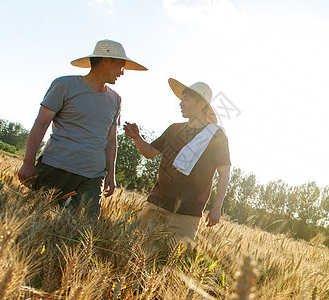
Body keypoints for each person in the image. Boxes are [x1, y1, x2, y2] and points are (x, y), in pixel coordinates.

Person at [18, 39, 147, 219]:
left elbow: (111, 139)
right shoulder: (64, 85)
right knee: (37, 221)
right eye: (121, 65)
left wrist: (111, 173)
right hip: (56, 168)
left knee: (83, 231)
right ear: (106, 60)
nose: (123, 72)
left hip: (93, 176)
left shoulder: (116, 99)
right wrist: (28, 161)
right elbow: (41, 123)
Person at [124, 78, 231, 242]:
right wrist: (137, 138)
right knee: (135, 247)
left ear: (201, 105)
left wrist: (217, 207)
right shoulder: (174, 129)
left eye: (186, 99)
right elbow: (150, 152)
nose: (181, 103)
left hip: (187, 214)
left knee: (174, 259)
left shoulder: (216, 136)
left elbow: (224, 173)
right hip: (156, 205)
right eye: (181, 99)